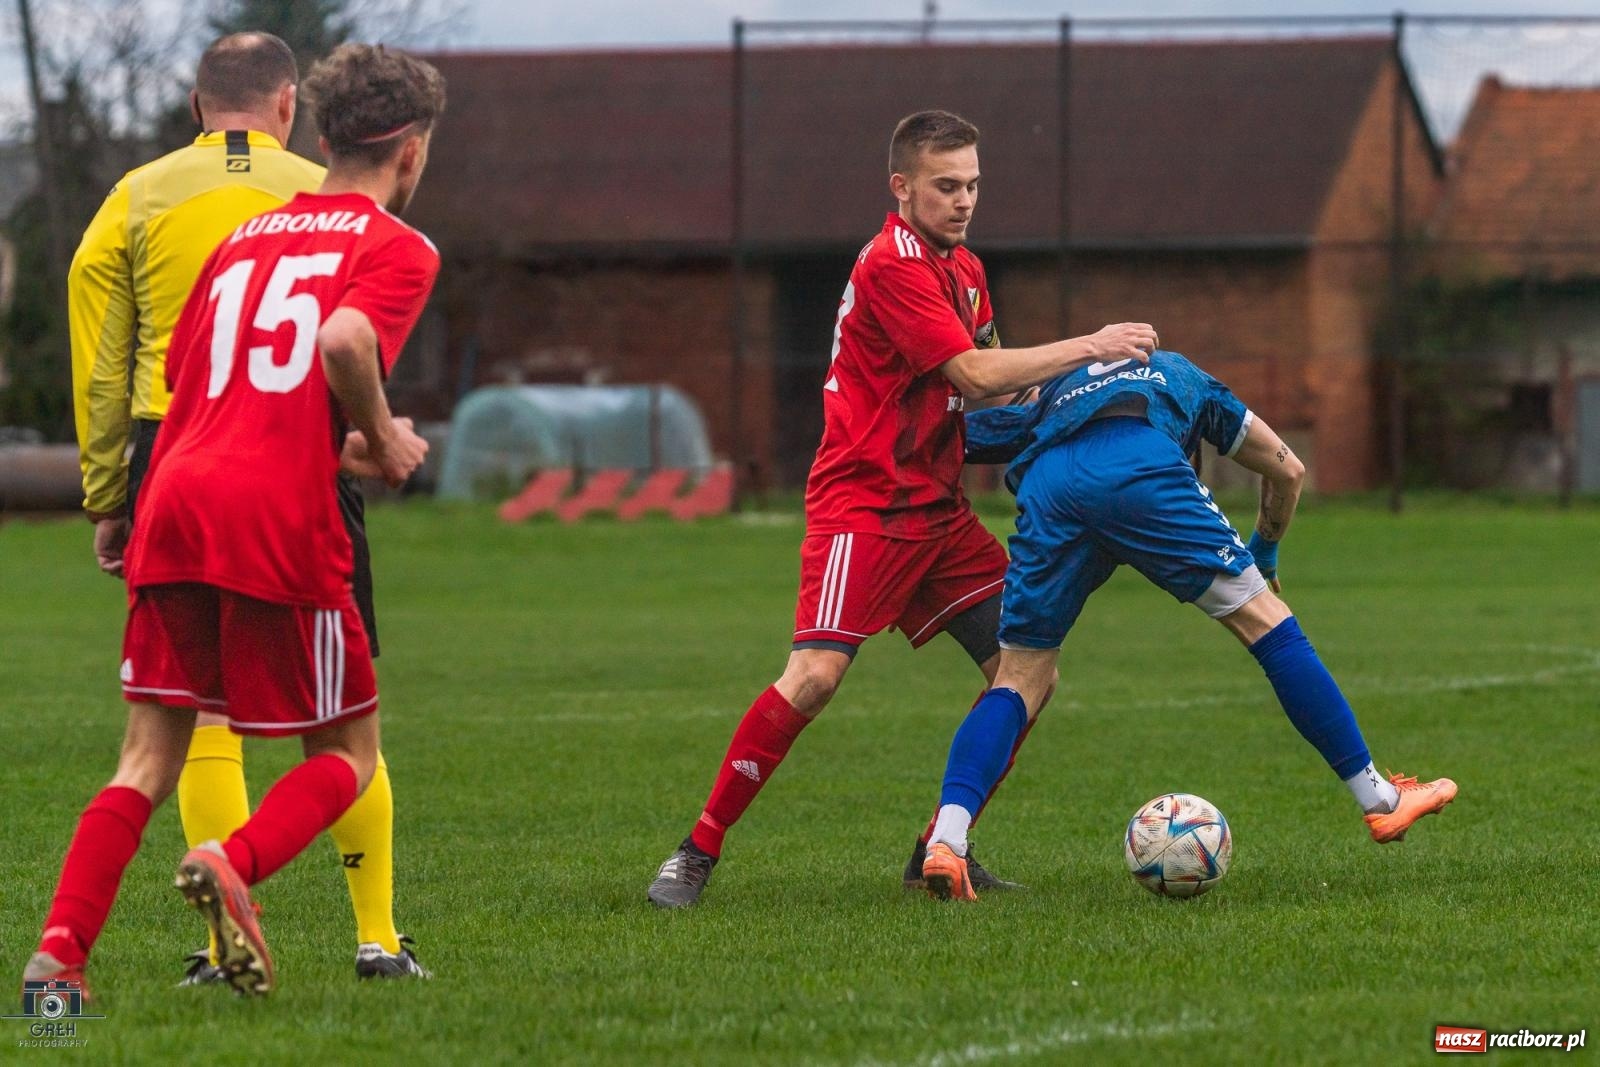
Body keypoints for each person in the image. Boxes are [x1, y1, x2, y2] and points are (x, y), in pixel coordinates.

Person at [647, 109, 1159, 908]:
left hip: (940, 513)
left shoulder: (969, 271)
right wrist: (1092, 346)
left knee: (1029, 669)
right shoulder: (894, 264)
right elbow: (974, 375)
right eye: (946, 185)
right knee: (814, 677)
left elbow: (1003, 388)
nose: (963, 200)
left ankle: (942, 843)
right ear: (903, 187)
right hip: (866, 503)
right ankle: (696, 851)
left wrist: (1096, 404)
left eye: (974, 185)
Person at [23, 43, 446, 997]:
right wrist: (380, 436)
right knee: (345, 750)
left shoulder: (237, 244)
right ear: (410, 151)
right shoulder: (394, 245)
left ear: (322, 129)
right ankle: (237, 866)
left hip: (171, 493)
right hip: (272, 518)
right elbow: (342, 341)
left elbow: (202, 391)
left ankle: (58, 965)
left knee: (147, 755)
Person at [916, 350, 1458, 900]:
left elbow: (945, 437)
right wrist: (1264, 554)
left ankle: (947, 842)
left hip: (1049, 488)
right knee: (1270, 627)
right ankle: (1381, 801)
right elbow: (1288, 468)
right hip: (1141, 467)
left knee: (1018, 680)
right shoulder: (1180, 373)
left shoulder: (1053, 396)